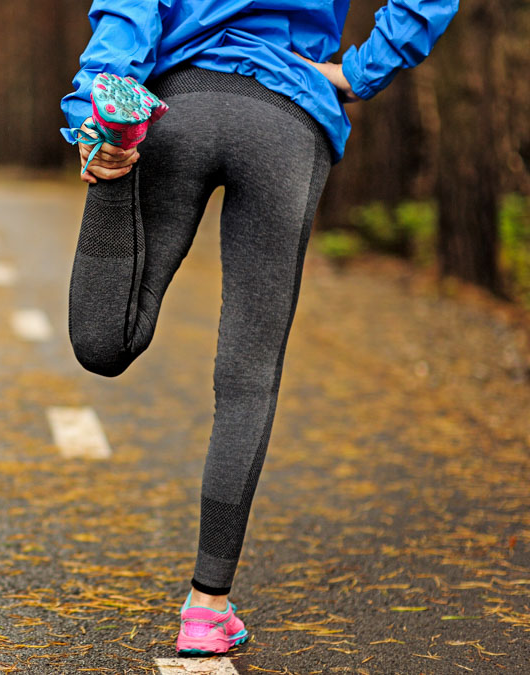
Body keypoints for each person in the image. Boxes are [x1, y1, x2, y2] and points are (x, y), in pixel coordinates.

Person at [61, 0, 458, 657]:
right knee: (248, 374)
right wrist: (363, 69)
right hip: (288, 111)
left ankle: (113, 140)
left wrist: (90, 106)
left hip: (179, 102)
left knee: (104, 342)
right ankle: (207, 607)